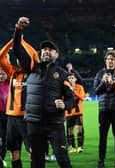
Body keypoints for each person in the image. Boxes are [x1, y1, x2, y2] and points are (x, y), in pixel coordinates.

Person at [13, 16, 74, 168]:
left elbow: (71, 99)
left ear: (56, 55)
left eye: (50, 50)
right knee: (37, 162)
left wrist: (64, 105)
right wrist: (19, 29)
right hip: (34, 123)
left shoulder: (62, 74)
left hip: (55, 124)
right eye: (44, 49)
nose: (46, 51)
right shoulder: (32, 67)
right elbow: (17, 49)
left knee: (63, 160)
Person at [0, 38, 39, 168]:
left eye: (23, 58)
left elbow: (34, 55)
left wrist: (22, 41)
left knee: (32, 152)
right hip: (11, 118)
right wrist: (13, 41)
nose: (20, 60)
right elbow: (1, 56)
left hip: (27, 119)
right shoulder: (12, 72)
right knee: (14, 153)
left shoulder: (34, 73)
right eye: (18, 58)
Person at [94, 50, 115, 168]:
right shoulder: (100, 73)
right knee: (103, 137)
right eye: (108, 59)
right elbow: (96, 91)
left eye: (112, 59)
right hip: (104, 109)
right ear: (105, 60)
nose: (110, 61)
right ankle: (101, 161)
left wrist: (114, 84)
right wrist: (103, 82)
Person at [65, 72, 85, 153]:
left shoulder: (80, 87)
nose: (71, 79)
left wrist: (74, 91)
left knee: (79, 129)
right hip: (69, 112)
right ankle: (73, 147)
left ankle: (80, 147)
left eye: (72, 78)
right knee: (70, 130)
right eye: (69, 78)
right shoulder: (65, 89)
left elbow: (82, 97)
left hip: (78, 112)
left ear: (75, 79)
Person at [0, 67, 9, 167]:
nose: (1, 76)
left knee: (5, 139)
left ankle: (2, 157)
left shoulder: (10, 84)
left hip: (7, 115)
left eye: (3, 74)